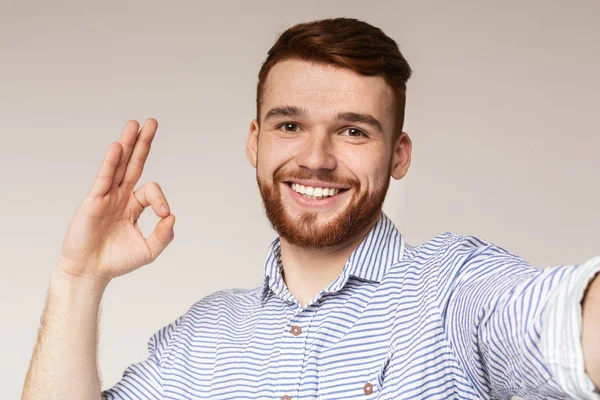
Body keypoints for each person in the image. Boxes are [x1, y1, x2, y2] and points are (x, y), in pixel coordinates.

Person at [22, 17, 600, 400]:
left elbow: (560, 323)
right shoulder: (201, 340)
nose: (316, 159)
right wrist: (80, 278)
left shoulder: (455, 290)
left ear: (398, 155)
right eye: (290, 124)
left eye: (352, 130)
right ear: (255, 141)